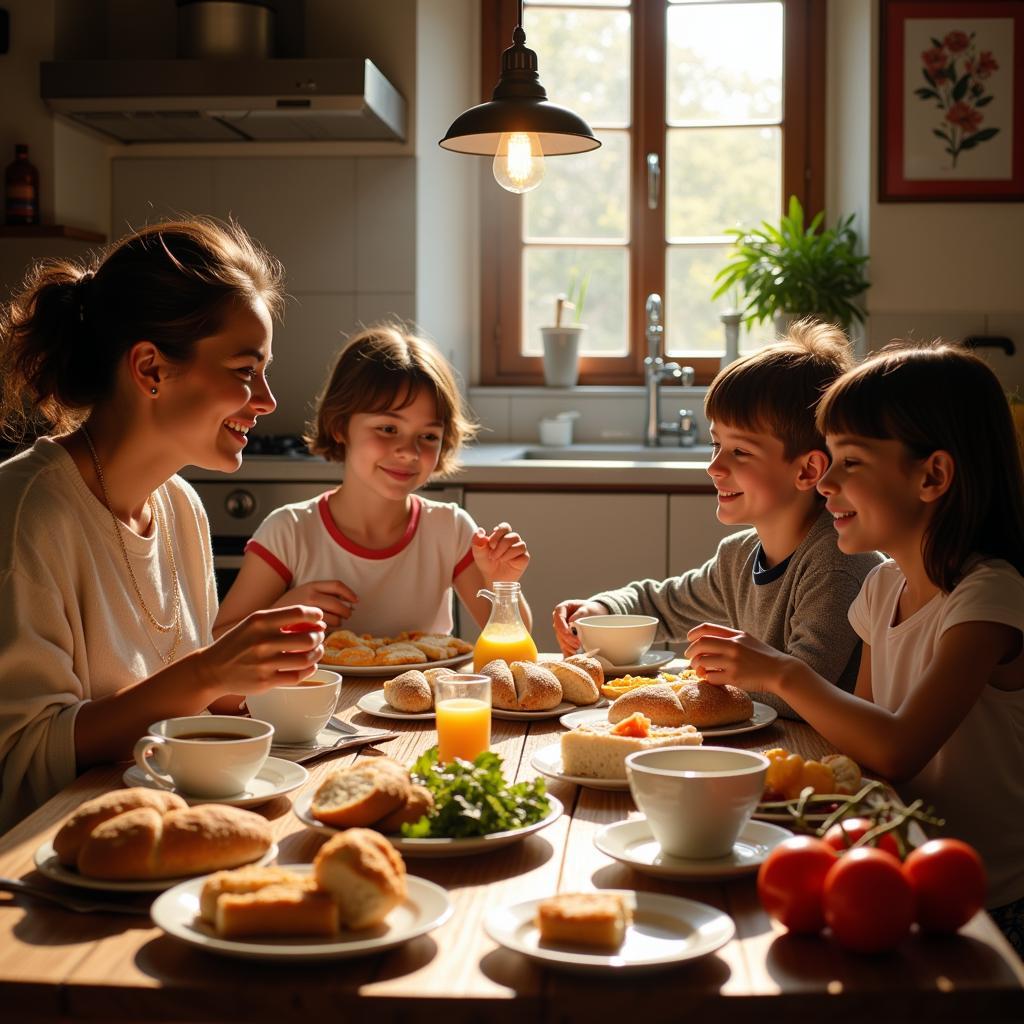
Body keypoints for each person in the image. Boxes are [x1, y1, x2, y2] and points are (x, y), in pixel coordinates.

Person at [685, 342, 1024, 951]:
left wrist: (782, 674)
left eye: (852, 462)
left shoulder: (988, 599)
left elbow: (897, 750)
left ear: (932, 476)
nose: (829, 482)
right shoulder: (881, 586)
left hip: (984, 905)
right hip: (894, 868)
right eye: (830, 459)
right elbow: (859, 749)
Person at [0, 218, 326, 833]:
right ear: (150, 368)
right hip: (52, 866)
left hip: (170, 823)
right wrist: (211, 671)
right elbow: (23, 758)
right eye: (244, 370)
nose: (267, 401)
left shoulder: (179, 507)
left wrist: (254, 674)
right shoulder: (27, 514)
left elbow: (186, 700)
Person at [553, 320, 882, 718]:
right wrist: (601, 610)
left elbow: (806, 693)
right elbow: (661, 605)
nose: (714, 466)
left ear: (808, 471)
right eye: (715, 444)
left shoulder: (836, 563)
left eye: (740, 452)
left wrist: (712, 678)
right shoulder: (738, 557)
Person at [213, 323, 531, 642]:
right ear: (340, 426)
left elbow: (516, 640)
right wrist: (287, 611)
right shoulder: (289, 531)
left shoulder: (450, 529)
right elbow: (219, 643)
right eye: (388, 429)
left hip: (421, 692)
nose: (408, 452)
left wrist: (501, 583)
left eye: (428, 436)